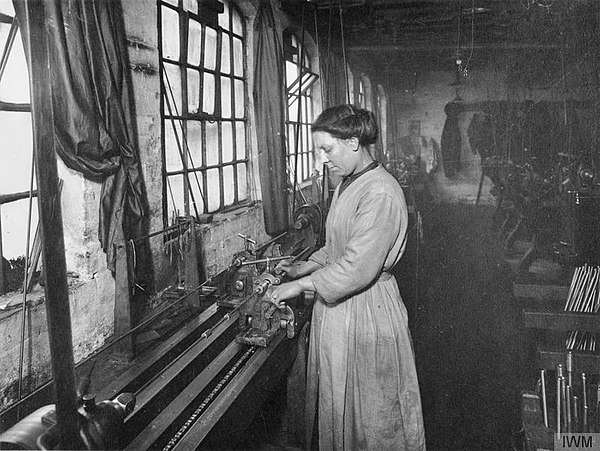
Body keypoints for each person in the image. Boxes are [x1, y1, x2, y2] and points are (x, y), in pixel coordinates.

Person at [270, 104, 425, 450]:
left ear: (354, 142)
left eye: (327, 149)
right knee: (338, 410)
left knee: (370, 416)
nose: (321, 159)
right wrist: (305, 265)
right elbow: (339, 245)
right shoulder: (348, 183)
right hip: (340, 309)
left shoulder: (381, 193)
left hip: (368, 311)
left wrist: (297, 286)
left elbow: (357, 267)